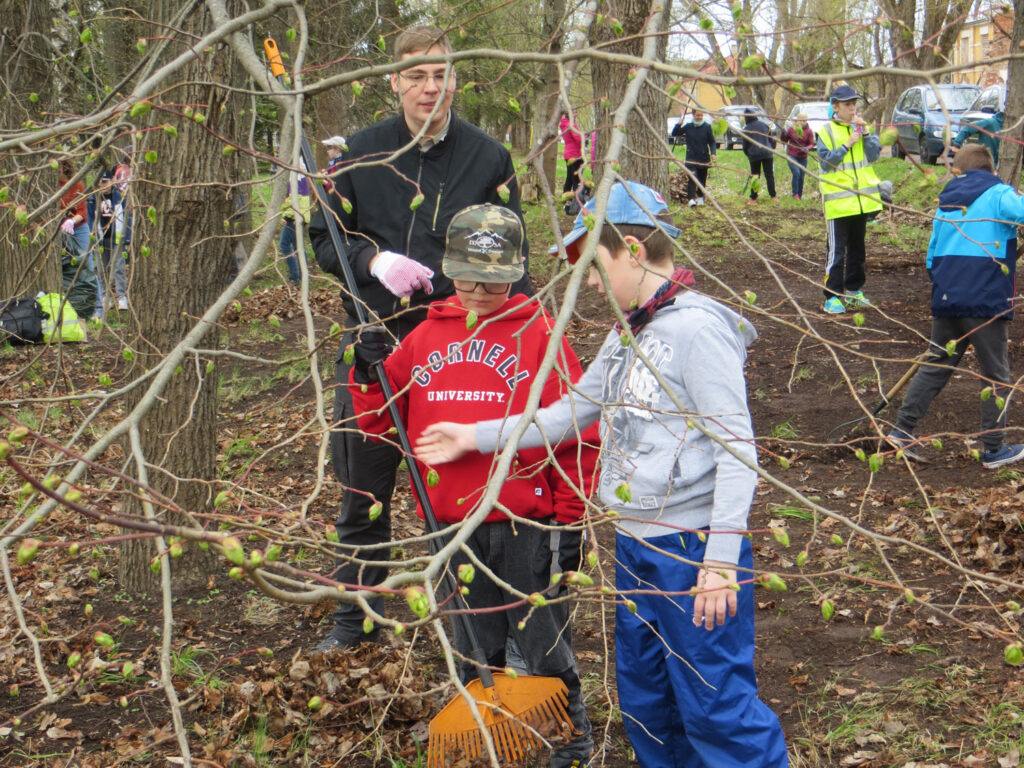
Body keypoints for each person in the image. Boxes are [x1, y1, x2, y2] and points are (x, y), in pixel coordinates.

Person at [415, 181, 789, 768]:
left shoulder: (697, 331)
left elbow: (737, 449)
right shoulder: (627, 332)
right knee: (648, 695)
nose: (588, 283)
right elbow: (570, 412)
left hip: (690, 553)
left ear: (632, 250)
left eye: (594, 265)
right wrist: (473, 435)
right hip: (637, 544)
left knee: (712, 699)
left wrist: (719, 560)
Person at [307, 24, 533, 653]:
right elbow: (323, 239)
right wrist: (372, 263)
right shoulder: (357, 153)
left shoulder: (488, 157)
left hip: (459, 355)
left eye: (441, 74)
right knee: (362, 492)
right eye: (417, 76)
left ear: (456, 77)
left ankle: (482, 626)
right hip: (375, 349)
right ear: (395, 81)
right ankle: (356, 619)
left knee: (461, 496)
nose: (430, 88)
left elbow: (515, 255)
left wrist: (517, 332)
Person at [349, 203, 597, 768]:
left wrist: (568, 517)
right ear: (447, 269)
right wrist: (366, 374)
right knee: (470, 639)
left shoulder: (539, 336)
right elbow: (379, 422)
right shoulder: (421, 339)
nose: (479, 290)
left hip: (524, 522)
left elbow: (579, 432)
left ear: (514, 274)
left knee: (538, 635)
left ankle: (569, 735)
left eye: (493, 278)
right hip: (451, 524)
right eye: (467, 275)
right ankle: (490, 725)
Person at [887, 144, 1024, 469]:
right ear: (991, 169)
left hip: (948, 298)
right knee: (995, 374)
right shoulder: (998, 193)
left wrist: (949, 286)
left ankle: (901, 431)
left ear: (959, 171)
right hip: (986, 298)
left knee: (936, 365)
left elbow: (931, 257)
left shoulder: (946, 202)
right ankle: (994, 448)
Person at [817, 84, 882, 314]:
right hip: (838, 204)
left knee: (858, 250)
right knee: (836, 251)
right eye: (847, 104)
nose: (852, 108)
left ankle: (854, 291)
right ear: (836, 107)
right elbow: (825, 162)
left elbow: (874, 155)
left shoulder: (861, 127)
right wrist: (847, 145)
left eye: (854, 103)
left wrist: (866, 135)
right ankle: (832, 296)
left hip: (861, 201)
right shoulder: (826, 131)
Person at [57, 159, 98, 321]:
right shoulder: (52, 187)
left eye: (58, 167)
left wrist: (72, 220)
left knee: (87, 265)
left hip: (78, 227)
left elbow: (82, 212)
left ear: (64, 167)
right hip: (60, 230)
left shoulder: (77, 185)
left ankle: (97, 307)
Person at [95, 171, 128, 312]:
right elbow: (91, 217)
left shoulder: (119, 197)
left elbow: (127, 217)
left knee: (119, 267)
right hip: (101, 239)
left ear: (112, 182)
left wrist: (126, 238)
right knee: (103, 268)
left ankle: (121, 296)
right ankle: (105, 296)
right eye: (102, 182)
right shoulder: (93, 198)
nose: (104, 185)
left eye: (106, 182)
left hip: (116, 238)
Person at [675, 109, 716, 207]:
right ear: (693, 115)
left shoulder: (707, 127)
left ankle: (701, 197)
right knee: (692, 178)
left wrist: (713, 153)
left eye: (701, 115)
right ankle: (691, 199)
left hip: (703, 158)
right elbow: (675, 133)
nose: (699, 117)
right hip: (691, 157)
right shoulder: (689, 126)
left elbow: (712, 142)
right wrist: (678, 124)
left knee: (702, 179)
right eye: (697, 115)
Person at [278, 170, 311, 285]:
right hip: (295, 216)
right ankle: (303, 276)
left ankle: (295, 276)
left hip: (295, 218)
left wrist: (286, 215)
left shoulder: (298, 178)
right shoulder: (295, 176)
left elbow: (297, 201)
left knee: (285, 245)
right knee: (299, 247)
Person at [741, 108, 777, 204]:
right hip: (767, 153)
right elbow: (771, 139)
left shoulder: (746, 129)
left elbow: (745, 146)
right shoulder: (764, 125)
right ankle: (773, 196)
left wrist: (748, 154)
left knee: (755, 176)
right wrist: (771, 149)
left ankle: (753, 198)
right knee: (769, 175)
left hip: (754, 155)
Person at [783, 112, 815, 200]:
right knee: (796, 173)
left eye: (804, 120)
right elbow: (784, 140)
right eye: (801, 120)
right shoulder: (792, 129)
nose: (802, 122)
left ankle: (799, 195)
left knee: (801, 176)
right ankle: (795, 194)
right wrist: (783, 134)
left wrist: (807, 148)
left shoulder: (809, 131)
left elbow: (811, 144)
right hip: (792, 155)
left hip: (803, 157)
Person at [560, 113, 586, 215]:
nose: (577, 114)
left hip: (569, 154)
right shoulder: (571, 125)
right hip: (575, 155)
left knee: (569, 179)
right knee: (576, 181)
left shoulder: (564, 124)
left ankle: (566, 202)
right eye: (575, 112)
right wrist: (584, 135)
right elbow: (579, 139)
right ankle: (575, 205)